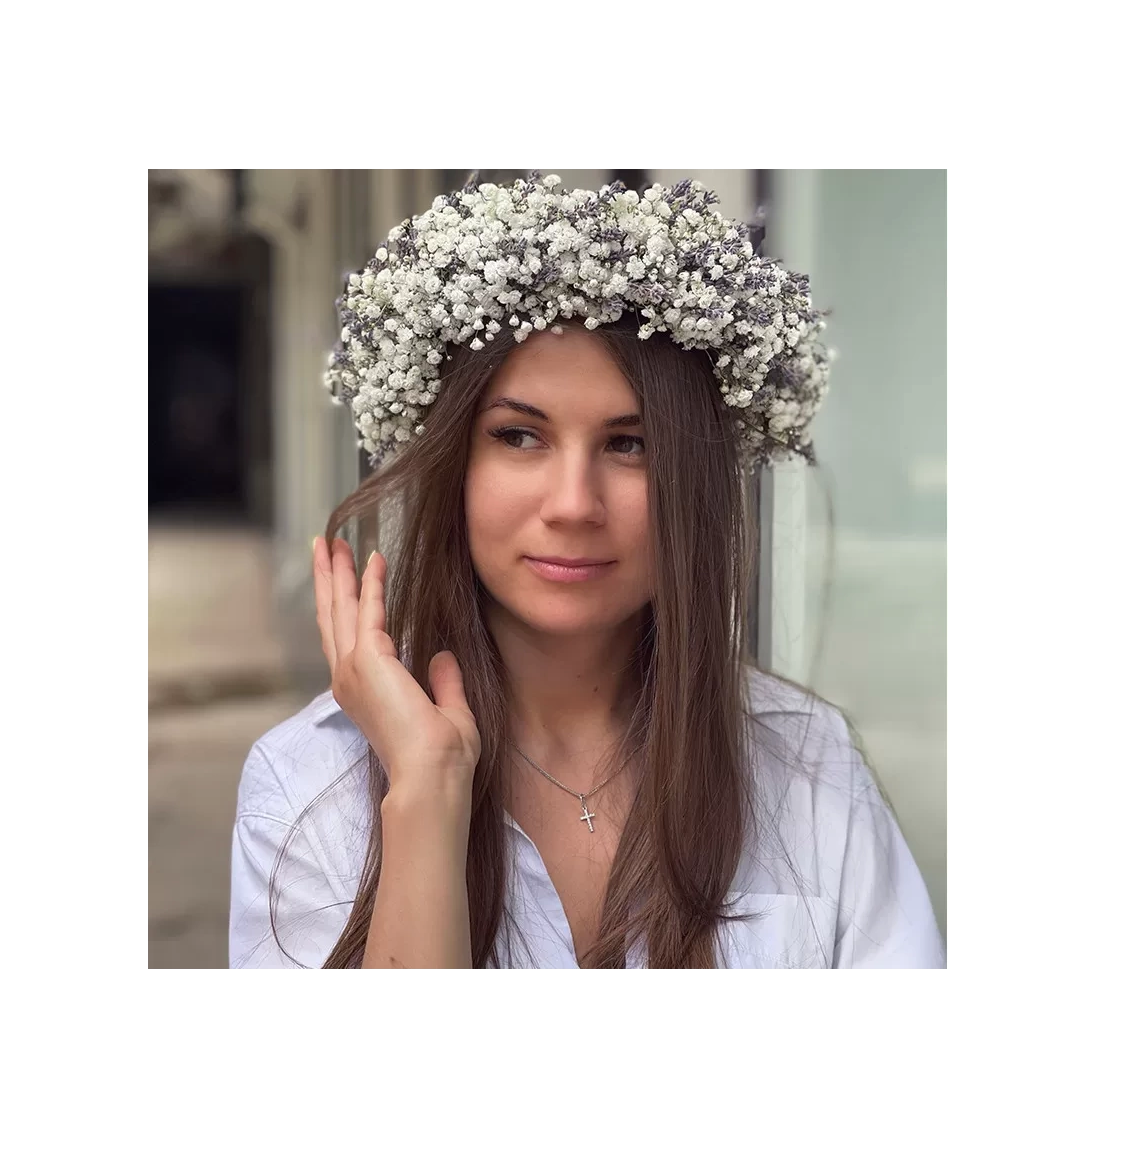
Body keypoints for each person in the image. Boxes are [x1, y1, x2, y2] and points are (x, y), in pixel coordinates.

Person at [229, 174, 945, 969]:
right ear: (453, 463)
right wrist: (425, 797)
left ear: (695, 480)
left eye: (629, 445)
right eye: (520, 437)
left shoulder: (809, 769)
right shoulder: (308, 787)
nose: (573, 505)